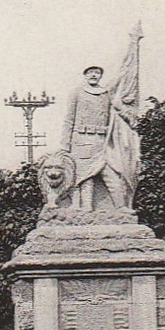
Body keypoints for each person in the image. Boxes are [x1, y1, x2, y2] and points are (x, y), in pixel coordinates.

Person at [59, 26, 142, 211]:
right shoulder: (77, 93)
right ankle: (86, 210)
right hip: (81, 140)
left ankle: (121, 208)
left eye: (97, 72)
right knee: (84, 176)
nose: (94, 75)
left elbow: (120, 106)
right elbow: (68, 120)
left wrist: (130, 117)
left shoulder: (106, 93)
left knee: (111, 173)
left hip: (103, 141)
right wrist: (65, 145)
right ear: (85, 74)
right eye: (90, 72)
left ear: (100, 75)